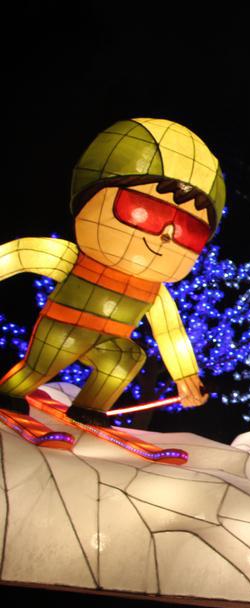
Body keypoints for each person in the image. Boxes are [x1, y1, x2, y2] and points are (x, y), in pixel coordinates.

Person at [0, 118, 224, 427]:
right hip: (65, 328)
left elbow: (171, 334)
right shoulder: (76, 260)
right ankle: (9, 393)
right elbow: (21, 253)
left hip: (109, 341)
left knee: (127, 357)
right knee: (38, 369)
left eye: (188, 232)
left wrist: (186, 376)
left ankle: (90, 408)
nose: (165, 236)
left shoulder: (154, 291)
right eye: (143, 211)